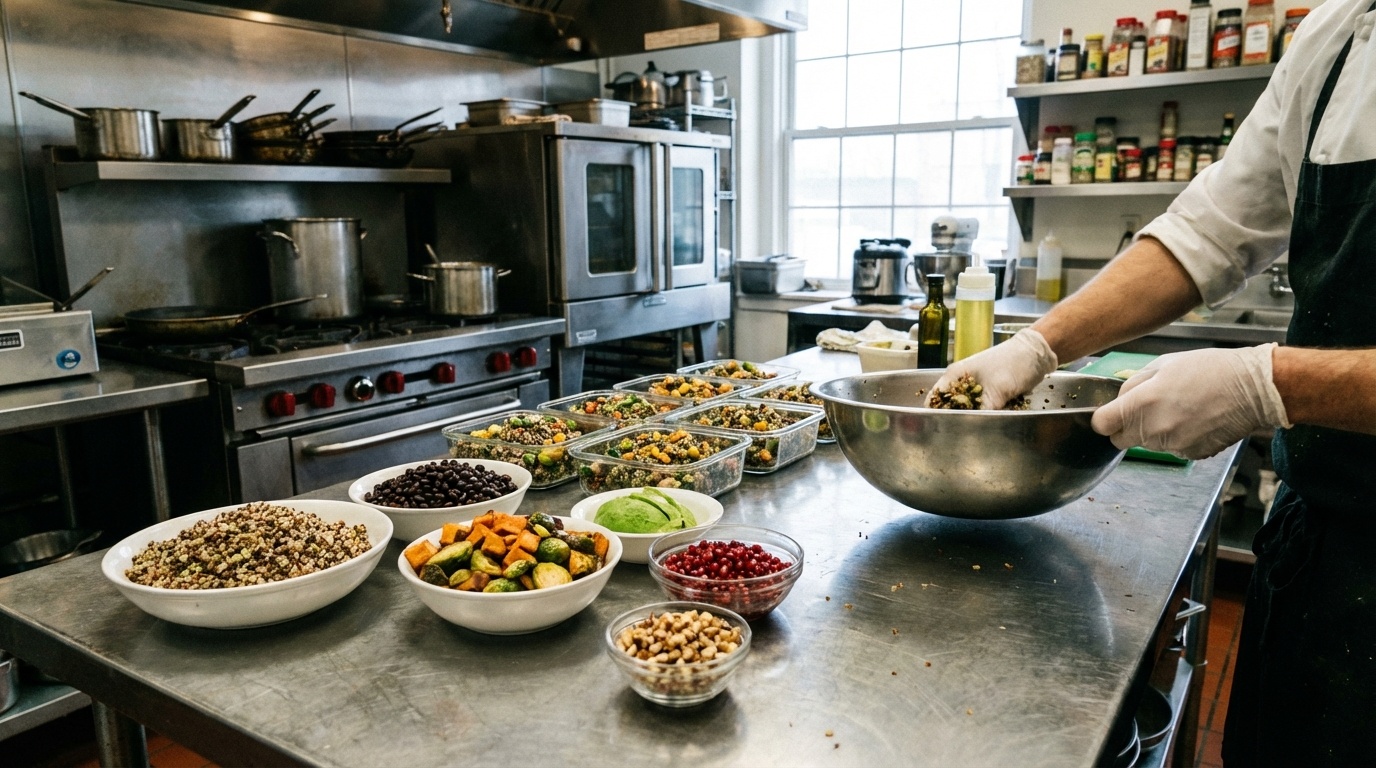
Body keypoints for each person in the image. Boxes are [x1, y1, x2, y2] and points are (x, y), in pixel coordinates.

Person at [936, 1, 1376, 764]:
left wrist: (1268, 384)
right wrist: (1040, 346)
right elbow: (1205, 233)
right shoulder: (1336, 35)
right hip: (1324, 550)